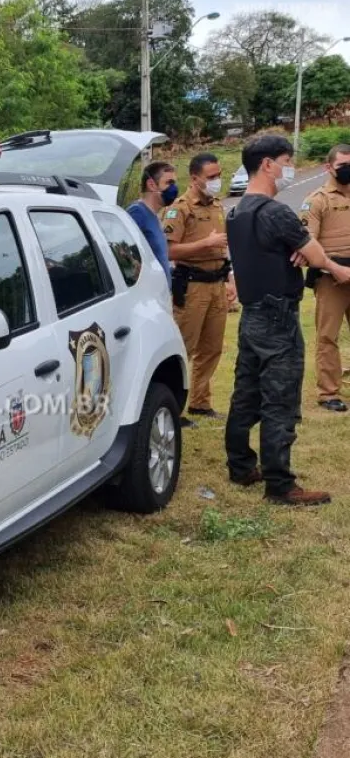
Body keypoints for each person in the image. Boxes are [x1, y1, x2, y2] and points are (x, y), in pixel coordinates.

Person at [224, 134, 350, 506]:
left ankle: (241, 465)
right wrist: (331, 267)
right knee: (280, 400)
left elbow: (292, 249)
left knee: (246, 394)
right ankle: (280, 484)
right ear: (267, 165)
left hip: (252, 315)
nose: (289, 169)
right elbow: (314, 253)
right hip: (278, 317)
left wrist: (303, 252)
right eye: (286, 161)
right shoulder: (276, 211)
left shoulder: (236, 212)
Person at [164, 152, 238, 424]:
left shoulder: (218, 206)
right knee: (184, 347)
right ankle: (174, 408)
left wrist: (230, 279)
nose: (217, 180)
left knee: (212, 347)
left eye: (219, 175)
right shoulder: (179, 208)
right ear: (195, 179)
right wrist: (204, 245)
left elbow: (223, 247)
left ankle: (200, 402)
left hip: (216, 282)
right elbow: (169, 250)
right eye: (212, 177)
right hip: (192, 285)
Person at [299, 143, 350, 413]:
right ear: (328, 167)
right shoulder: (316, 200)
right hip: (332, 278)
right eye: (343, 166)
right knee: (328, 336)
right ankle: (329, 392)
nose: (347, 170)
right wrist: (335, 269)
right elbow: (307, 244)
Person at [126, 161, 177, 290]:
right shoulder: (137, 213)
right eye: (169, 183)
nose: (173, 188)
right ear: (151, 185)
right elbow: (124, 251)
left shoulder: (154, 216)